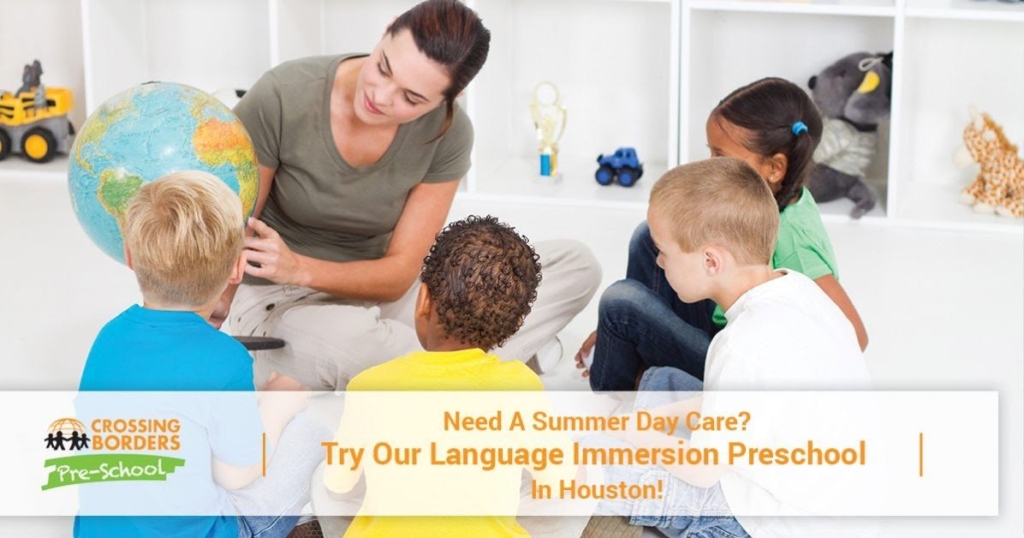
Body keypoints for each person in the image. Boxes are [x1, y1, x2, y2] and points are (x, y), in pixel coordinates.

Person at [222, 0, 600, 390]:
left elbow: (400, 274)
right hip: (282, 301)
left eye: (412, 98)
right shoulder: (283, 95)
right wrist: (209, 314)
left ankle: (440, 373)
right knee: (374, 349)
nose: (382, 96)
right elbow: (229, 231)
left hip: (382, 290)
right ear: (386, 31)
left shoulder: (449, 133)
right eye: (383, 67)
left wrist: (301, 266)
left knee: (576, 264)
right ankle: (482, 367)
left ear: (448, 99)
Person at [593, 158, 871, 538]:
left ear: (710, 260)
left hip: (776, 516)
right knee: (664, 380)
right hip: (829, 485)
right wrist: (651, 423)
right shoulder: (797, 288)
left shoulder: (742, 346)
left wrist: (633, 434)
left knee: (595, 468)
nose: (657, 261)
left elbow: (703, 470)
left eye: (663, 252)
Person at [76, 172, 327, 538]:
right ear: (236, 269)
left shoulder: (107, 338)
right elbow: (238, 475)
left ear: (129, 256)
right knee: (309, 433)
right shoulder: (226, 358)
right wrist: (277, 406)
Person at [579, 77, 868, 391]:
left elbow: (855, 336)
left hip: (734, 353)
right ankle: (628, 344)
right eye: (711, 153)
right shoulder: (772, 197)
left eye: (722, 156)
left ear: (775, 168)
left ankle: (613, 399)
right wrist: (618, 335)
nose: (712, 165)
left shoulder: (792, 239)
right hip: (723, 316)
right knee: (650, 238)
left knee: (620, 303)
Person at [320, 215, 576, 537]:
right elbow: (559, 482)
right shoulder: (521, 389)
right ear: (513, 327)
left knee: (322, 477)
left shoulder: (369, 386)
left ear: (423, 299)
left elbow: (338, 486)